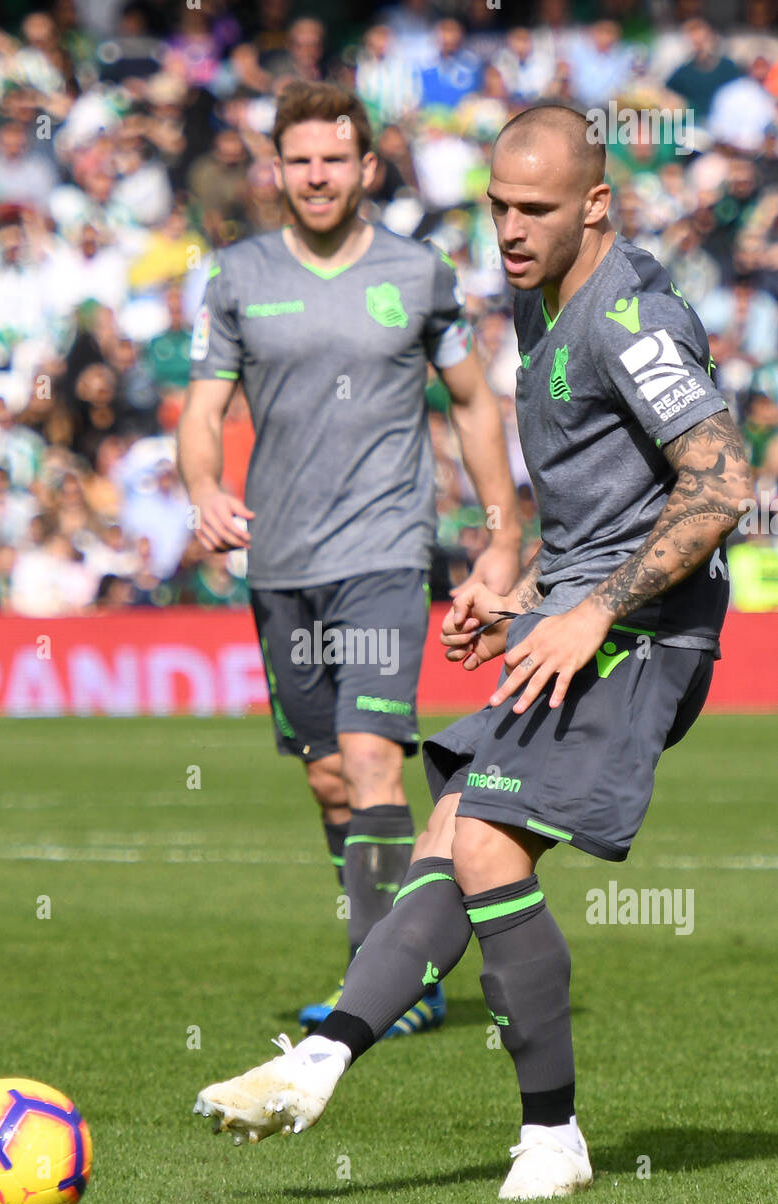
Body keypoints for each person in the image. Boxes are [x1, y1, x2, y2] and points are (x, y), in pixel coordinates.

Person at [194, 105, 752, 1200]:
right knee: (449, 832)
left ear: (595, 203)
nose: (507, 225)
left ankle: (553, 1138)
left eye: (533, 207)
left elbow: (724, 482)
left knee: (488, 846)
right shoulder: (535, 298)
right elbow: (598, 508)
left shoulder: (628, 317)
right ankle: (321, 1059)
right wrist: (516, 594)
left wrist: (588, 611)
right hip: (581, 620)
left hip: (646, 634)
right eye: (496, 203)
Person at [177, 79, 520, 1037]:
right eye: (300, 160)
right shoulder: (238, 276)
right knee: (328, 776)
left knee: (373, 758)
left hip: (383, 549)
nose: (318, 174)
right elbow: (202, 411)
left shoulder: (418, 273)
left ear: (366, 166)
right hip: (279, 561)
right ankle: (385, 952)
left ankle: (392, 981)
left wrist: (500, 528)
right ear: (277, 170)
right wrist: (204, 489)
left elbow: (474, 403)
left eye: (335, 158)